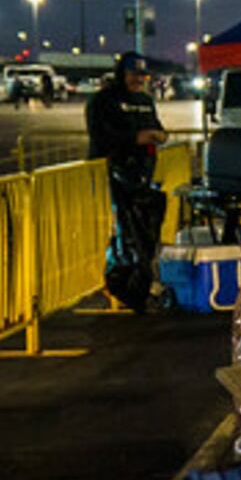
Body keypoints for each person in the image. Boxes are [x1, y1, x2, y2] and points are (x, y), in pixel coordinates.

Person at [85, 52, 169, 312]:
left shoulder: (144, 101)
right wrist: (134, 138)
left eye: (142, 76)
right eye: (133, 75)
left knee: (143, 235)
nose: (138, 80)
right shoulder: (103, 100)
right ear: (122, 74)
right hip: (112, 175)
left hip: (141, 177)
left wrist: (158, 136)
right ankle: (120, 285)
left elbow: (158, 129)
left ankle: (137, 290)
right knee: (123, 235)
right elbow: (101, 134)